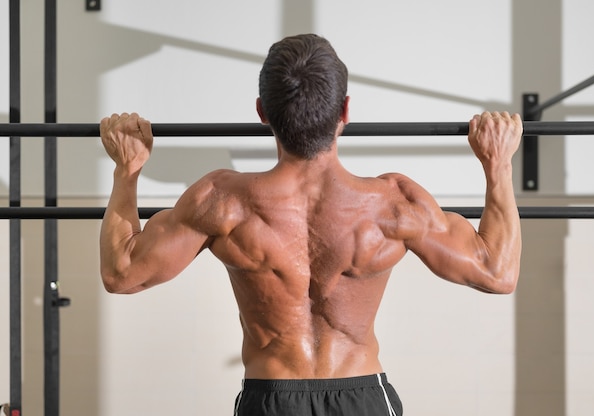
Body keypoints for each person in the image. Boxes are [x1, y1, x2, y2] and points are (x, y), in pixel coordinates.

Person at [99, 34, 522, 416]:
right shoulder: (391, 205)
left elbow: (122, 273)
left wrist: (128, 169)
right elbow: (497, 273)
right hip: (363, 397)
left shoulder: (222, 201)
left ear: (263, 112)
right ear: (346, 110)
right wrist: (497, 165)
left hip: (270, 399)